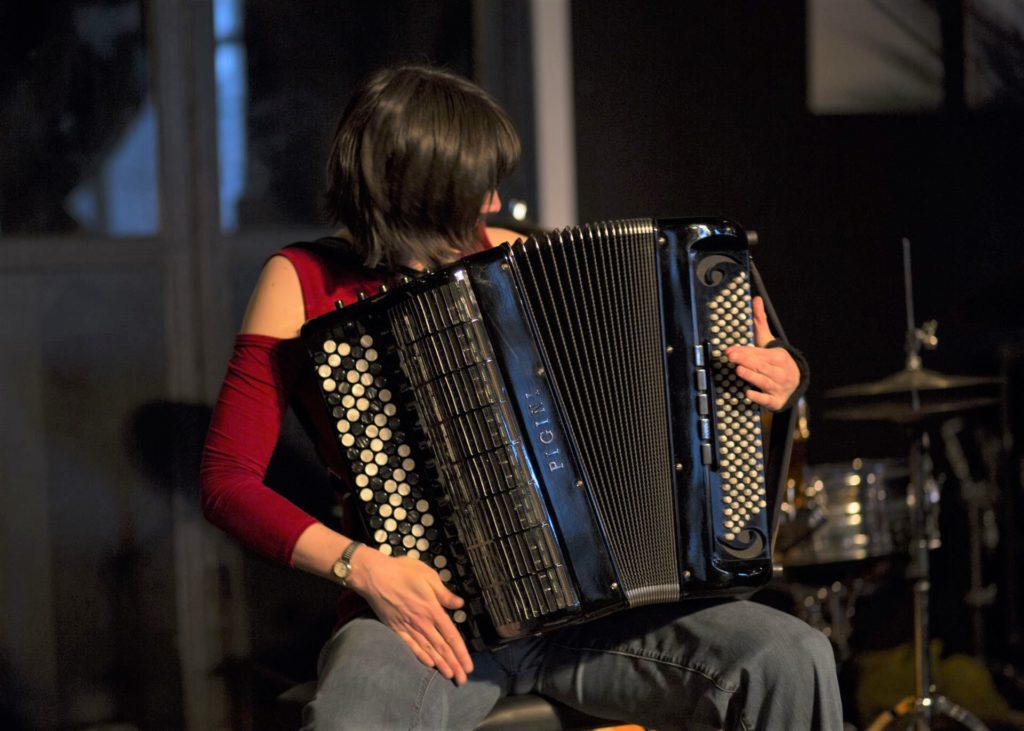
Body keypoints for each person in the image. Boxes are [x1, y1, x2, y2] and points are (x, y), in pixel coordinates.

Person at [201, 64, 842, 730]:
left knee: (788, 655)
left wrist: (780, 373)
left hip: (594, 612)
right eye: (476, 186)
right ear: (414, 187)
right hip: (425, 620)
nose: (495, 202)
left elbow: (666, 379)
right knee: (351, 720)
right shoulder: (302, 280)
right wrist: (361, 567)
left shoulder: (515, 259)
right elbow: (227, 483)